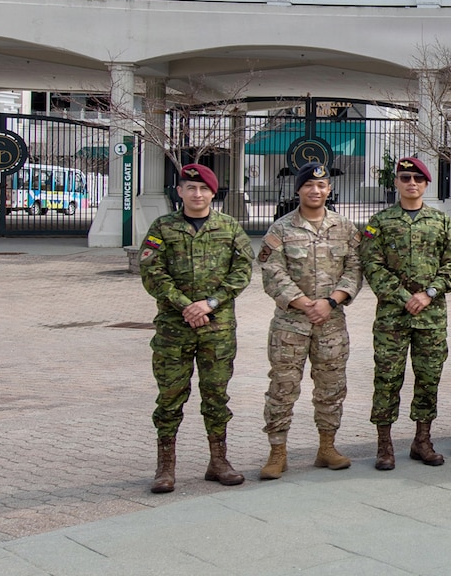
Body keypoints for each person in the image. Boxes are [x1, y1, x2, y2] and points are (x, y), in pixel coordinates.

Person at [138, 163, 252, 493]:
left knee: (216, 396)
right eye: (190, 188)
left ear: (213, 192)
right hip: (175, 329)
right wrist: (185, 305)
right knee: (170, 398)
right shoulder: (163, 227)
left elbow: (242, 271)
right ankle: (165, 467)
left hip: (217, 330)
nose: (197, 193)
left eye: (203, 189)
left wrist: (210, 303)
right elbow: (152, 272)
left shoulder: (229, 228)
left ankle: (219, 461)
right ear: (180, 191)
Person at [257, 161, 362, 480]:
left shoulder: (345, 228)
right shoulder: (281, 229)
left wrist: (331, 301)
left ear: (329, 189)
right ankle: (277, 452)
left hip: (331, 324)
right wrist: (304, 303)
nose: (315, 190)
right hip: (290, 326)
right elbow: (271, 271)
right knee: (282, 388)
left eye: (321, 185)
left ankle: (327, 447)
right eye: (309, 185)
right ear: (299, 189)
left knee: (331, 388)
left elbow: (355, 269)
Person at [360, 155, 451, 471]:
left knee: (429, 378)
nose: (412, 184)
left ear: (426, 184)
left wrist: (428, 293)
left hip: (430, 317)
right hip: (393, 317)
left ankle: (422, 441)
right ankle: (385, 445)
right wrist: (405, 296)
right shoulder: (379, 222)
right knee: (388, 378)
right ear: (397, 183)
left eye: (417, 179)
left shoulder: (441, 222)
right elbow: (371, 264)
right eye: (405, 179)